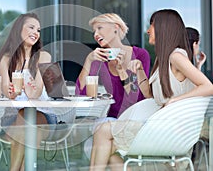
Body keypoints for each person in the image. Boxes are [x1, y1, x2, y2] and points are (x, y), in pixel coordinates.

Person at [89, 9, 213, 171]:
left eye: (152, 25)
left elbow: (208, 86)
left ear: (164, 28)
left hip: (170, 132)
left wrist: (176, 100)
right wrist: (137, 70)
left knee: (104, 131)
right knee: (110, 151)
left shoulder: (176, 57)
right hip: (161, 128)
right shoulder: (164, 59)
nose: (148, 30)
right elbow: (148, 94)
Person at [0, 13, 75, 171]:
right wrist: (11, 90)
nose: (36, 32)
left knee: (26, 122)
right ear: (18, 30)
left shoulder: (43, 56)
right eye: (31, 27)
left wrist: (27, 85)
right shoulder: (6, 58)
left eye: (38, 30)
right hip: (12, 117)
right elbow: (6, 89)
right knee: (27, 128)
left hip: (42, 115)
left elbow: (35, 94)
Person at [75, 13, 150, 119]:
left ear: (116, 27)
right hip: (112, 117)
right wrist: (89, 60)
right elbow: (80, 94)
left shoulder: (140, 55)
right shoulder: (99, 59)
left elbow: (136, 96)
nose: (96, 34)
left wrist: (121, 70)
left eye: (99, 28)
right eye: (94, 31)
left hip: (137, 116)